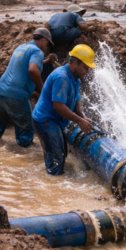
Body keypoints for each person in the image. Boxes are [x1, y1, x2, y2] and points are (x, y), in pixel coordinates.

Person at [0, 28, 58, 147]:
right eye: (47, 43)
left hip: (0, 93)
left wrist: (47, 61)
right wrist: (43, 89)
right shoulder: (38, 51)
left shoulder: (21, 47)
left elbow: (25, 64)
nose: (46, 46)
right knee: (26, 133)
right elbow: (33, 69)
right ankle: (25, 159)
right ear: (44, 41)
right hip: (17, 96)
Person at [32, 45, 96, 175]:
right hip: (46, 120)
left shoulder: (75, 77)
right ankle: (51, 186)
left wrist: (82, 115)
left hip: (55, 120)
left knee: (60, 154)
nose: (87, 71)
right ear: (75, 63)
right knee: (57, 159)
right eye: (85, 67)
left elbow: (77, 99)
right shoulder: (62, 77)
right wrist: (79, 121)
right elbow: (58, 106)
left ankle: (52, 175)